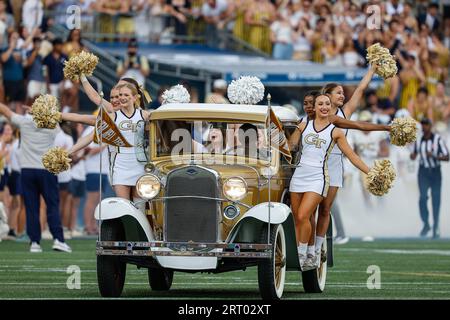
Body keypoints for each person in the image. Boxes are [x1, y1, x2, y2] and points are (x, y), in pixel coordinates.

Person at [289, 94, 370, 270]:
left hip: (318, 178)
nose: (324, 107)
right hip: (299, 176)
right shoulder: (303, 125)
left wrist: (370, 172)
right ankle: (307, 252)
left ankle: (302, 254)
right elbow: (290, 147)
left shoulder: (335, 131)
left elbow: (352, 156)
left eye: (327, 104)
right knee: (298, 219)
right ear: (315, 107)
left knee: (304, 215)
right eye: (320, 104)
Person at [0, 102, 71, 253]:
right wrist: (39, 112)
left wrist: (31, 113)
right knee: (52, 206)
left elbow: (5, 110)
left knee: (31, 207)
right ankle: (58, 240)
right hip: (47, 171)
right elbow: (55, 119)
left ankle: (34, 243)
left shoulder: (25, 121)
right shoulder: (53, 125)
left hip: (27, 171)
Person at [410, 118, 449, 239]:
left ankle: (436, 225)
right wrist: (412, 155)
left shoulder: (437, 139)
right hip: (423, 172)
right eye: (423, 124)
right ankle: (426, 223)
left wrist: (435, 156)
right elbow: (414, 155)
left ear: (430, 126)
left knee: (436, 200)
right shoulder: (419, 140)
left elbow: (447, 157)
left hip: (435, 172)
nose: (424, 127)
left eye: (426, 124)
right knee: (422, 198)